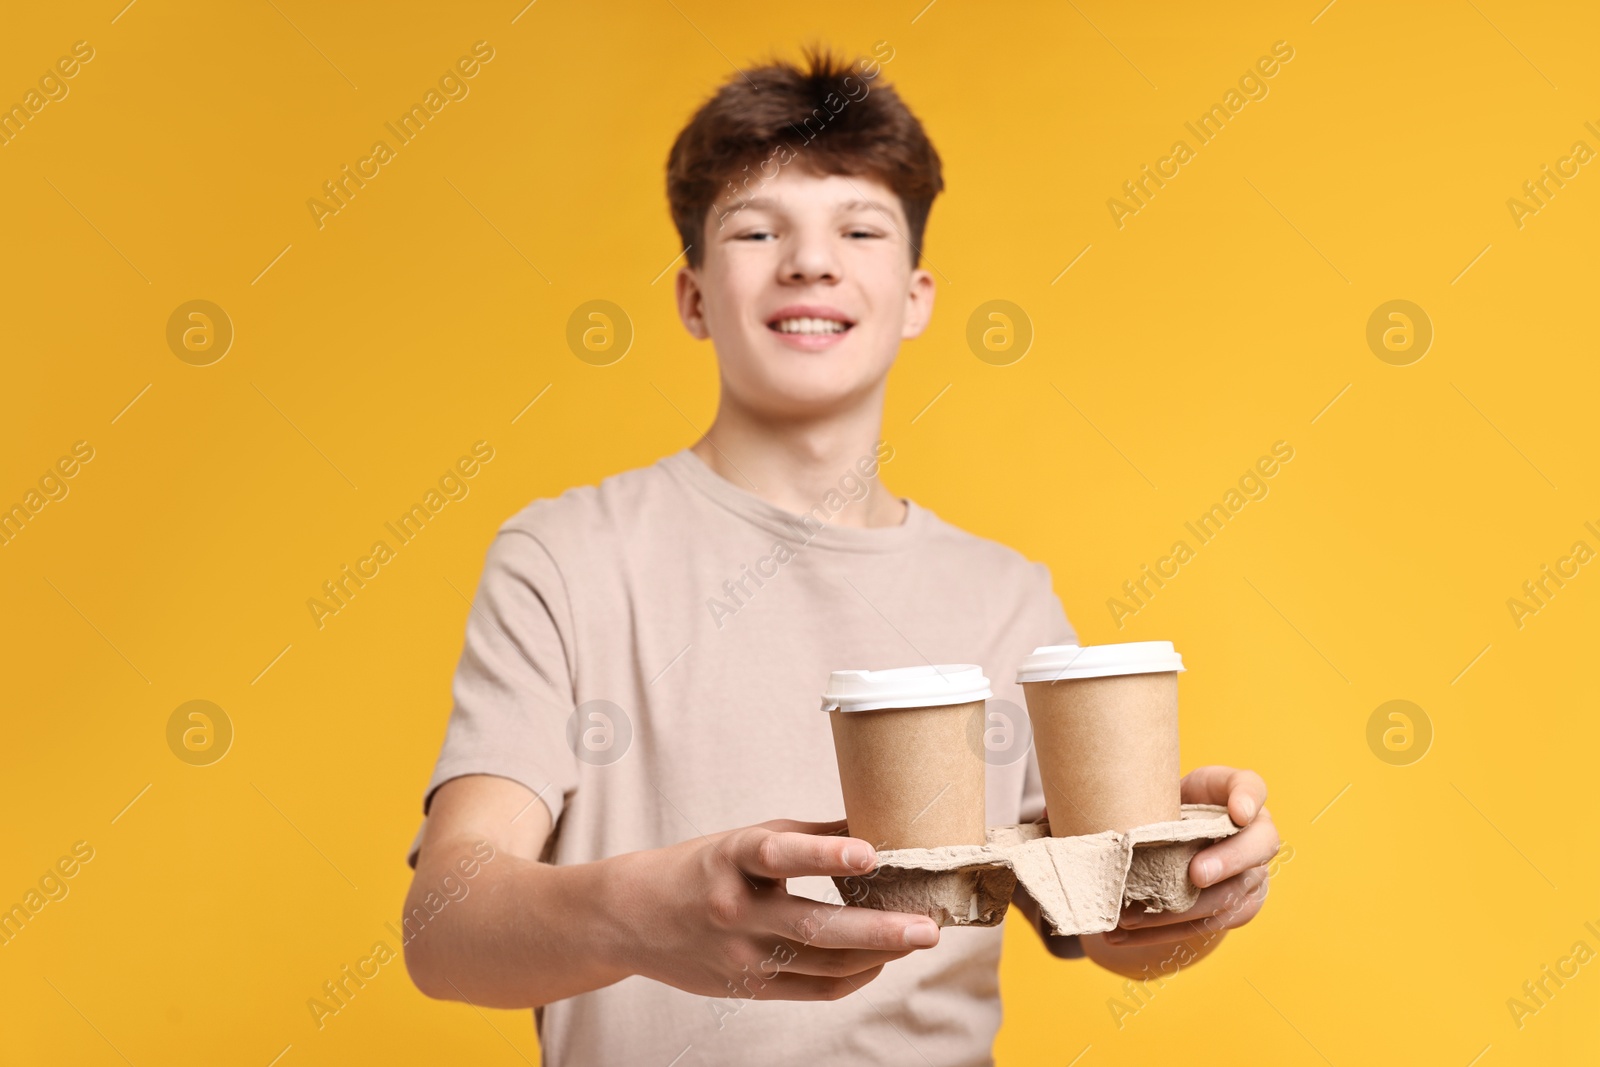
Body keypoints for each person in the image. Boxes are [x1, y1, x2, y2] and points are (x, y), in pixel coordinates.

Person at [401, 46, 1278, 1065]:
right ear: (691, 297)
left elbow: (1104, 924)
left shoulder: (1004, 598)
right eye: (756, 229)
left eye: (858, 229)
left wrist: (1197, 891)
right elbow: (444, 927)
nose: (809, 261)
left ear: (914, 295)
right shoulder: (565, 558)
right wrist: (637, 911)